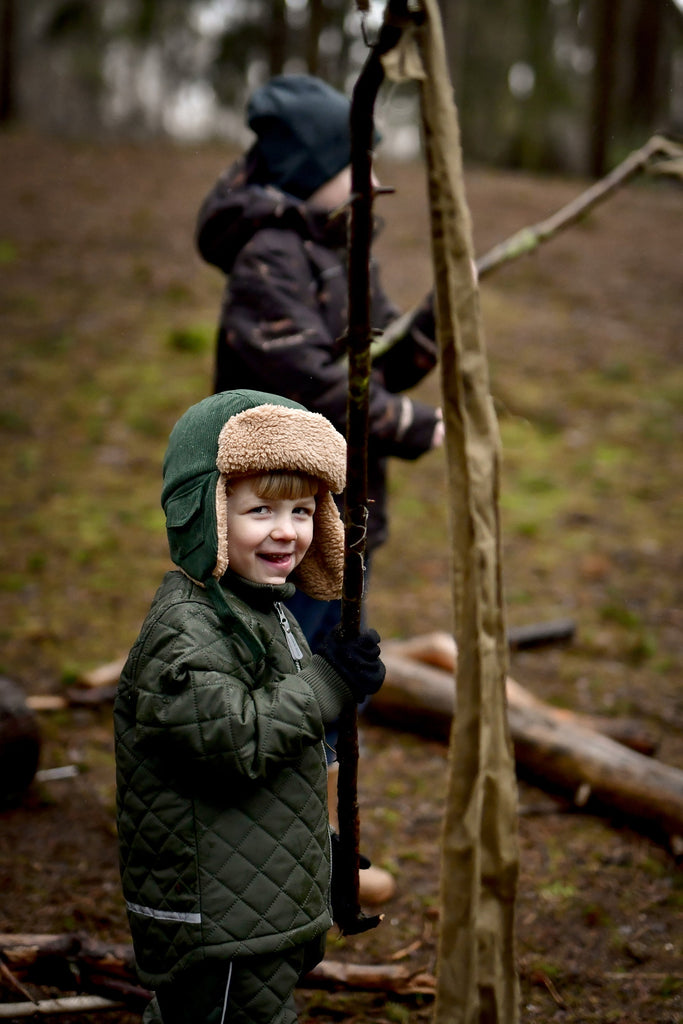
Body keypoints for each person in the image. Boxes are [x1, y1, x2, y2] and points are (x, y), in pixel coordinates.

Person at [196, 74, 443, 904]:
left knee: (329, 681)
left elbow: (372, 362)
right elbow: (310, 382)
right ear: (310, 171)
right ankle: (283, 852)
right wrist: (410, 424)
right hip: (279, 527)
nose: (374, 182)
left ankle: (315, 845)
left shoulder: (343, 248)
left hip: (335, 523)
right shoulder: (269, 257)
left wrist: (437, 328)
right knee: (286, 686)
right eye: (355, 164)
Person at [114, 389, 386, 1024]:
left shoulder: (262, 610)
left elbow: (275, 767)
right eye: (259, 509)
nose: (287, 531)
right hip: (219, 920)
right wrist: (326, 685)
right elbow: (233, 741)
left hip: (252, 904)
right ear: (205, 511)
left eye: (303, 509)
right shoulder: (187, 630)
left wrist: (319, 853)